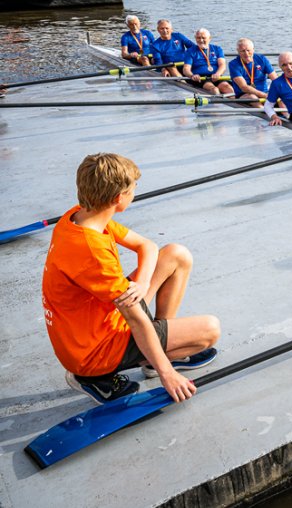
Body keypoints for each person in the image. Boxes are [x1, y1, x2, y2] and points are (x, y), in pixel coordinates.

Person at [41, 153, 220, 404]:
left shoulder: (82, 216)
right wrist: (166, 375)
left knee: (176, 255)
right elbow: (135, 318)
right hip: (92, 352)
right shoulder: (91, 252)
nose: (135, 191)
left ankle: (162, 347)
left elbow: (146, 245)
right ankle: (103, 376)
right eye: (133, 188)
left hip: (95, 323)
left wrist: (143, 283)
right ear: (118, 198)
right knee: (210, 330)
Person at [182, 28, 233, 94]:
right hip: (200, 78)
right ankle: (218, 103)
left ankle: (236, 102)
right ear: (195, 38)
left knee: (228, 88)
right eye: (198, 38)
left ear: (209, 38)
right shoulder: (190, 51)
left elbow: (222, 65)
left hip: (216, 76)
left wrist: (218, 74)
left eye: (203, 38)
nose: (201, 40)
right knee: (214, 89)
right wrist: (192, 75)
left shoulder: (217, 49)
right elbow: (186, 69)